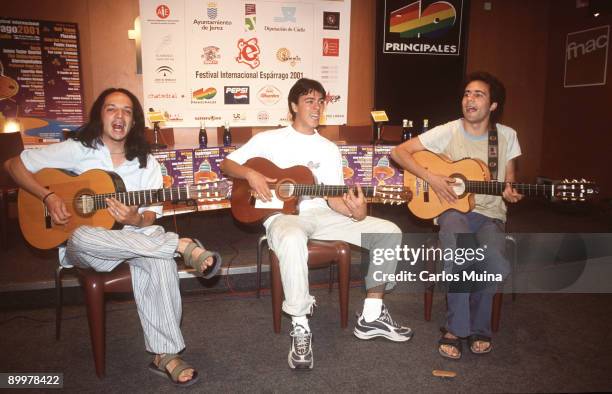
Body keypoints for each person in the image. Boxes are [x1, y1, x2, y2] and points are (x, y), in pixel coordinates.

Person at [4, 88, 220, 386]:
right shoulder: (78, 149)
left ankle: (165, 354)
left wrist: (134, 218)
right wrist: (49, 196)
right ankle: (179, 245)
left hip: (137, 239)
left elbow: (149, 217)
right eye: (111, 108)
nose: (119, 116)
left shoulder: (147, 164)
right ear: (100, 115)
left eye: (127, 111)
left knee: (156, 255)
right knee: (82, 235)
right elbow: (13, 165)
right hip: (92, 248)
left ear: (134, 121)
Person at [220, 78, 413, 371]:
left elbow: (334, 198)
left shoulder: (329, 149)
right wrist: (250, 174)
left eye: (321, 101)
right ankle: (300, 324)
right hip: (284, 216)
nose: (317, 107)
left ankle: (371, 316)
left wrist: (356, 212)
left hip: (324, 215)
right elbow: (227, 164)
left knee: (388, 232)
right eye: (310, 100)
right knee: (292, 237)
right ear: (293, 106)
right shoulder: (270, 139)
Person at [391, 71, 522, 359]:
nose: (470, 99)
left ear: (493, 106)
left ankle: (478, 328)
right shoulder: (448, 130)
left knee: (493, 259)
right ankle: (455, 329)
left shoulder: (507, 136)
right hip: (452, 210)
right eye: (467, 94)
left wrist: (510, 192)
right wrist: (433, 178)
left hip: (489, 216)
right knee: (461, 249)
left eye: (479, 95)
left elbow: (509, 181)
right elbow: (399, 153)